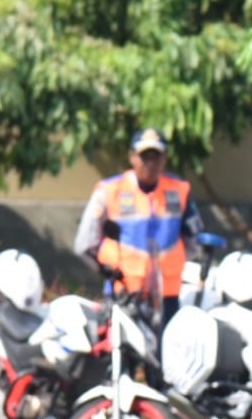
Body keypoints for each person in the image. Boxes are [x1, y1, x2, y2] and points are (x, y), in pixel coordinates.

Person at [73, 127, 203, 326]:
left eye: (156, 157)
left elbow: (194, 241)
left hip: (167, 295)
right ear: (132, 157)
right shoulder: (110, 190)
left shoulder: (179, 191)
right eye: (145, 157)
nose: (150, 164)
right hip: (124, 293)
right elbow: (84, 243)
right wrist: (107, 271)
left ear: (165, 159)